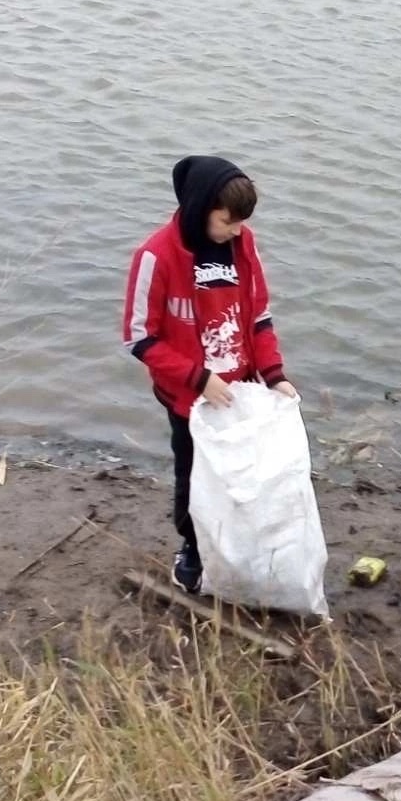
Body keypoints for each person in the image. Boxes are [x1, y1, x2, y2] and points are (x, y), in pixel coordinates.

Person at [122, 156, 297, 592]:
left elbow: (258, 316)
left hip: (241, 389)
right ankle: (193, 550)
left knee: (242, 477)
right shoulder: (155, 256)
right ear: (201, 208)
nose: (236, 230)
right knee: (194, 474)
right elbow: (138, 338)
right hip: (189, 398)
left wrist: (274, 374)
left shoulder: (243, 244)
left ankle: (240, 550)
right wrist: (199, 379)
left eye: (241, 222)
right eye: (227, 221)